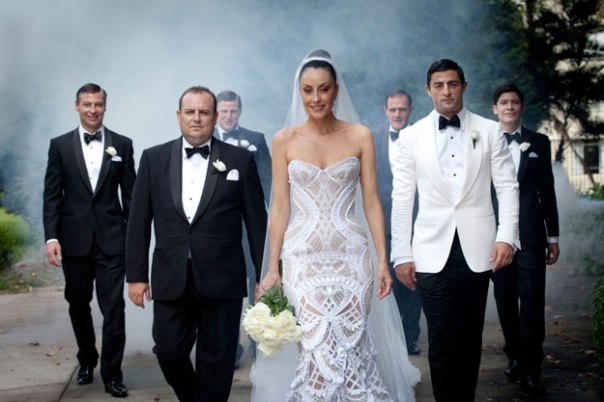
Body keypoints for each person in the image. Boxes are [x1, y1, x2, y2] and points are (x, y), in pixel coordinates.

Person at [253, 49, 420, 402]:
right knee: (313, 345)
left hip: (352, 256)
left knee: (352, 344)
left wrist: (383, 260)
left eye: (323, 89)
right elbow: (280, 207)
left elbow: (371, 201)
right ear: (299, 93)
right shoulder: (284, 139)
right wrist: (272, 268)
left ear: (336, 91)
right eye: (308, 90)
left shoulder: (359, 135)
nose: (316, 98)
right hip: (302, 257)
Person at [125, 86, 267, 402]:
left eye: (204, 112)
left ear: (214, 117)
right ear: (179, 116)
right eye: (190, 112)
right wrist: (136, 276)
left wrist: (263, 275)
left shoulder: (240, 159)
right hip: (170, 274)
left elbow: (257, 223)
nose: (197, 118)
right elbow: (138, 222)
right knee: (169, 349)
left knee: (218, 357)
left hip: (223, 276)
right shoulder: (153, 158)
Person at [391, 59, 519, 402]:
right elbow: (402, 198)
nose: (446, 91)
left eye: (452, 84)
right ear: (428, 90)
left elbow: (508, 188)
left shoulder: (489, 130)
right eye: (439, 85)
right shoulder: (411, 136)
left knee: (469, 337)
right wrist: (401, 254)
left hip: (479, 249)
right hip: (430, 251)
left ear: (464, 86)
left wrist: (506, 236)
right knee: (441, 337)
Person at [43, 83, 135, 398]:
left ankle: (112, 374)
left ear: (105, 107)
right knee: (78, 303)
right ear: (77, 106)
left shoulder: (122, 144)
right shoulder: (59, 146)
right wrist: (52, 236)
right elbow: (52, 195)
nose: (93, 110)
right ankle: (86, 359)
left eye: (98, 104)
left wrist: (133, 238)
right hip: (74, 241)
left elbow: (132, 196)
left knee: (114, 308)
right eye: (87, 104)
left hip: (112, 241)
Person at [491, 83, 560, 395]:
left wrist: (553, 236)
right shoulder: (483, 140)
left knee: (532, 302)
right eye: (504, 102)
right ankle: (515, 356)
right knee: (505, 299)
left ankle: (533, 369)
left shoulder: (539, 141)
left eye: (515, 102)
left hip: (532, 235)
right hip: (498, 236)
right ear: (495, 108)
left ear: (522, 107)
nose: (509, 107)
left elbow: (547, 189)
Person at [214, 90, 272, 361]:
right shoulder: (205, 139)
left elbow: (268, 182)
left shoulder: (256, 140)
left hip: (250, 227)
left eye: (233, 111)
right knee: (225, 287)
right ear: (216, 112)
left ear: (240, 111)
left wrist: (273, 219)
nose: (228, 116)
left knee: (256, 282)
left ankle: (256, 340)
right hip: (218, 228)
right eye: (224, 111)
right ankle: (230, 346)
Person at [373, 89, 423, 355]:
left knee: (412, 280)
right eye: (392, 110)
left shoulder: (423, 136)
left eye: (402, 109)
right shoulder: (373, 138)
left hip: (416, 220)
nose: (397, 114)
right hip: (382, 221)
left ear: (410, 111)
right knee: (387, 279)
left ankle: (411, 336)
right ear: (385, 111)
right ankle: (391, 337)